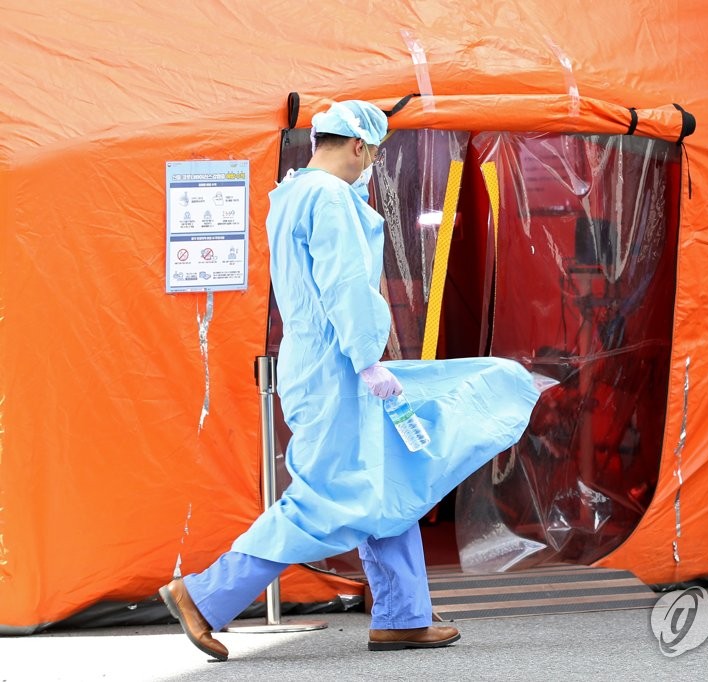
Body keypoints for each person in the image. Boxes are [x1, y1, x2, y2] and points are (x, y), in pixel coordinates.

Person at [160, 100, 539, 661]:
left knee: (388, 479)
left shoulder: (291, 194)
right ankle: (205, 594)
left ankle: (403, 616)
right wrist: (366, 359)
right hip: (338, 366)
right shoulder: (331, 198)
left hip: (318, 361)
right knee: (330, 496)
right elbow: (346, 286)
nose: (373, 165)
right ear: (360, 146)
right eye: (376, 154)